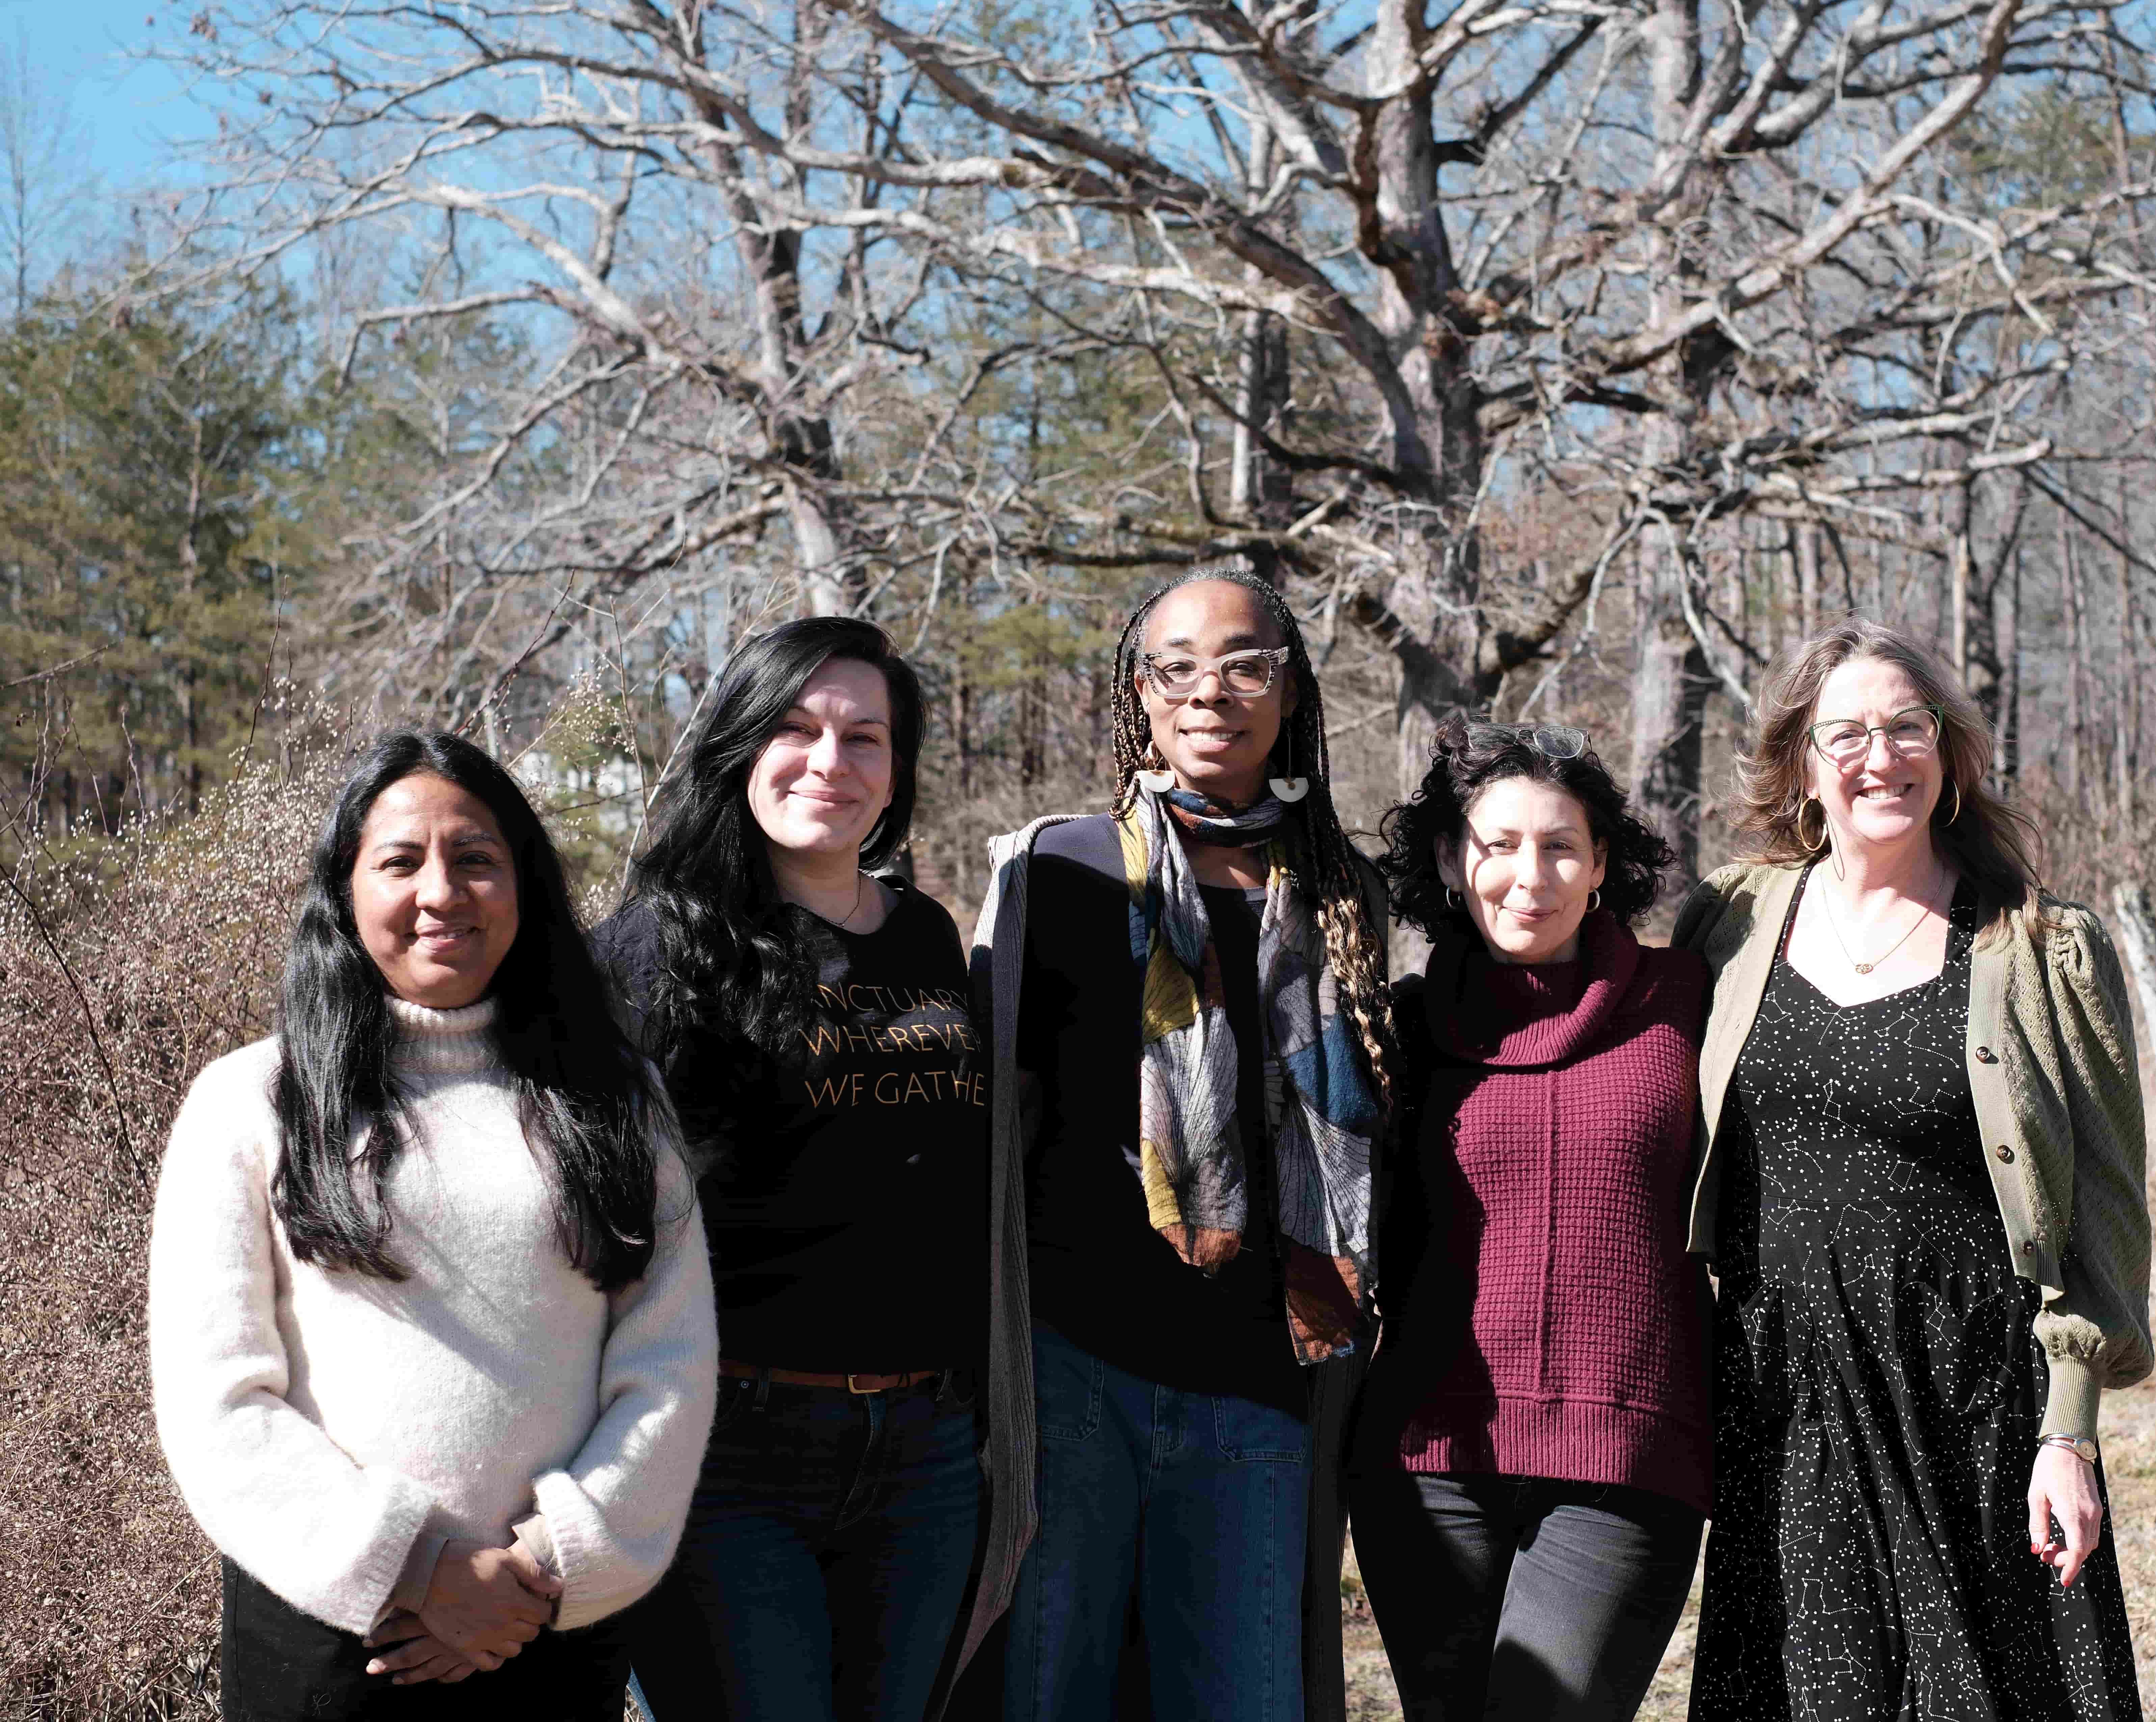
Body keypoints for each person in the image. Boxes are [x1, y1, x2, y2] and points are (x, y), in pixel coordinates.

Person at [148, 731, 716, 1721]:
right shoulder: (252, 1101)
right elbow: (218, 1397)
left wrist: (543, 1562)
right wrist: (414, 1570)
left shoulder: (614, 1097)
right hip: (331, 1637)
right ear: (346, 889)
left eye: (477, 859)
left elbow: (670, 1359)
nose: (442, 892)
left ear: (524, 884)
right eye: (401, 862)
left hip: (548, 1624)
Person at [1674, 618, 2151, 1720]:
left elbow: (2108, 1214)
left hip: (1974, 1402)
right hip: (1782, 1398)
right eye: (1845, 734)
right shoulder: (1729, 921)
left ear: (1949, 751)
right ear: (1803, 764)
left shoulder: (2040, 947)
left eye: (1908, 727)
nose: (1879, 757)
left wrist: (2069, 1432)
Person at [973, 564, 1394, 1722]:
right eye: (1179, 667)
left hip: (1261, 1378)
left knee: (1246, 1697)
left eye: (1247, 664)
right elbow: (996, 1125)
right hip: (1073, 1370)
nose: (1212, 692)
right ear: (1140, 694)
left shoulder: (1342, 891)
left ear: (1291, 691)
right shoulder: (1055, 871)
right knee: (1051, 1694)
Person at [599, 616, 1000, 1721]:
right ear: (739, 744)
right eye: (796, 728)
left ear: (897, 772)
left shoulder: (925, 935)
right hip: (730, 1454)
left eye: (865, 737)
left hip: (924, 1452)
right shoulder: (657, 949)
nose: (831, 762)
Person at [1348, 716, 1712, 1722]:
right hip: (1427, 1465)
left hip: (1624, 1458)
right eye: (1499, 844)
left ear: (1601, 865)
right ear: (1450, 861)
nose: (1531, 876)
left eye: (1561, 846)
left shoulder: (1686, 1004)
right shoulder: (1396, 1027)